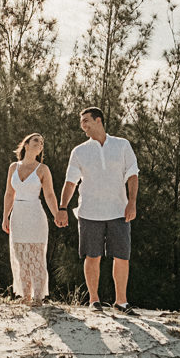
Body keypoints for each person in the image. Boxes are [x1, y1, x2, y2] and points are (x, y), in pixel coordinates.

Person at [56, 107, 139, 315]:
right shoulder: (79, 151)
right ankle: (94, 301)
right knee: (92, 256)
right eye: (81, 121)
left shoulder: (122, 145)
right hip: (89, 212)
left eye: (86, 121)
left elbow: (132, 175)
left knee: (122, 256)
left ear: (98, 120)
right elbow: (70, 183)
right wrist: (62, 207)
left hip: (119, 211)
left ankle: (121, 302)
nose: (82, 125)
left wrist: (132, 202)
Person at [2, 133, 61, 305]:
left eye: (42, 143)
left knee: (36, 256)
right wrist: (5, 216)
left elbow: (49, 194)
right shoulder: (13, 167)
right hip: (18, 215)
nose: (40, 144)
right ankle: (25, 296)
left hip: (35, 214)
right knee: (21, 256)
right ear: (26, 144)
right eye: (36, 140)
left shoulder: (43, 169)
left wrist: (57, 214)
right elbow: (9, 193)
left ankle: (38, 297)